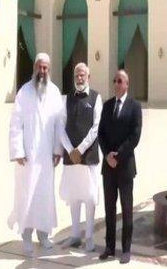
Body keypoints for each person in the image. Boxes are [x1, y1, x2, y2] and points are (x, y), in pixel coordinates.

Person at [7, 52, 65, 254]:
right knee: (27, 194)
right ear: (34, 68)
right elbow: (15, 123)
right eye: (39, 67)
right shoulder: (24, 92)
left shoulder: (55, 93)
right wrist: (18, 151)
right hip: (28, 157)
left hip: (47, 158)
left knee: (44, 196)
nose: (42, 71)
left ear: (49, 70)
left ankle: (43, 234)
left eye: (45, 68)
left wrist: (58, 150)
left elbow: (60, 124)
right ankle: (26, 235)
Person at [98, 70, 142, 264]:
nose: (116, 84)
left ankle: (126, 249)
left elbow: (135, 136)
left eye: (120, 81)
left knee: (126, 208)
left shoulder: (134, 107)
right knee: (109, 208)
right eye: (114, 80)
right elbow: (101, 134)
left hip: (125, 167)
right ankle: (109, 247)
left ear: (127, 84)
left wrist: (119, 155)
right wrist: (107, 154)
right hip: (108, 166)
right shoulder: (107, 106)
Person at [58, 62, 103, 252]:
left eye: (82, 75)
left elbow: (96, 126)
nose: (79, 78)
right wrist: (70, 150)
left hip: (88, 157)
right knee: (74, 195)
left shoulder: (95, 98)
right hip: (71, 158)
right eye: (76, 75)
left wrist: (80, 149)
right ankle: (75, 235)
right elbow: (60, 126)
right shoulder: (66, 99)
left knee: (89, 196)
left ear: (88, 77)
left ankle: (90, 236)